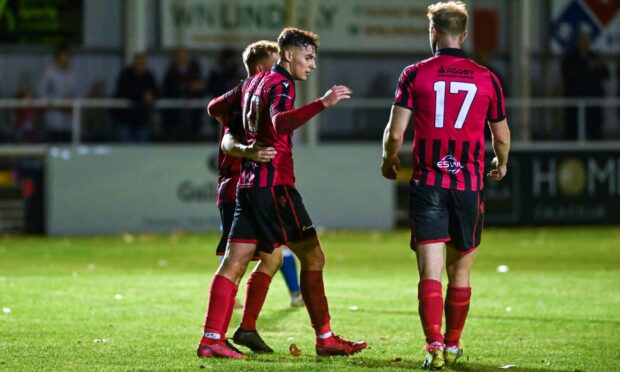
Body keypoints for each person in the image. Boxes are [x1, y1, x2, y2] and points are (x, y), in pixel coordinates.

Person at [197, 27, 367, 359]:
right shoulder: (282, 83)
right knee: (313, 257)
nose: (312, 65)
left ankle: (211, 339)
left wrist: (245, 145)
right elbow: (280, 124)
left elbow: (216, 108)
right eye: (308, 57)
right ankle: (326, 338)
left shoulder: (250, 83)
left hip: (246, 186)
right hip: (274, 186)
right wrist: (323, 103)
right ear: (287, 54)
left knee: (234, 262)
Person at [381, 1, 510, 370]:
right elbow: (501, 136)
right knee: (461, 273)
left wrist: (389, 159)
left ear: (433, 32)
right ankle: (453, 344)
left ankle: (433, 345)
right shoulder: (487, 77)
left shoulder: (414, 74)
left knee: (429, 272)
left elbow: (395, 132)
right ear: (464, 34)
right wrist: (502, 163)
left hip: (428, 183)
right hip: (468, 185)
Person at [203, 40, 302, 356]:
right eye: (275, 64)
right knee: (238, 261)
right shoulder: (248, 96)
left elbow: (213, 108)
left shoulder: (248, 100)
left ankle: (244, 329)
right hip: (242, 186)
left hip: (248, 186)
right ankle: (213, 338)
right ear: (261, 69)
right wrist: (247, 149)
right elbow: (225, 132)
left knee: (272, 257)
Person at [561, 31, 610, 140]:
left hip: (593, 102)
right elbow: (568, 75)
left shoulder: (594, 56)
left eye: (587, 41)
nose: (585, 43)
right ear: (578, 42)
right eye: (582, 40)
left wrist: (600, 66)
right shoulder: (570, 58)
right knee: (573, 132)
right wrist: (586, 67)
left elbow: (607, 75)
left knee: (595, 131)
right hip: (575, 102)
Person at [162, 48, 205, 142]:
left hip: (192, 105)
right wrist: (188, 88)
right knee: (177, 126)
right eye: (180, 56)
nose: (183, 58)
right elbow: (168, 88)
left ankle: (192, 139)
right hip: (176, 106)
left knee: (192, 125)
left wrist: (196, 89)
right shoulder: (171, 71)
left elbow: (201, 86)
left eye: (185, 55)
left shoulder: (194, 69)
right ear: (176, 58)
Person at [37, 43, 78, 142]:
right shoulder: (49, 73)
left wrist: (71, 102)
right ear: (57, 57)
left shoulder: (72, 75)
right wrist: (57, 104)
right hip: (53, 121)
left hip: (68, 122)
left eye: (68, 56)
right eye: (64, 56)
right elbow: (40, 92)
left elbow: (75, 94)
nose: (66, 59)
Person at [113, 53, 158, 143]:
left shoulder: (149, 76)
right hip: (125, 117)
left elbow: (156, 91)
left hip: (142, 117)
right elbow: (124, 91)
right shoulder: (126, 75)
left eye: (143, 62)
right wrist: (142, 96)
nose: (140, 64)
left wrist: (152, 97)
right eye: (138, 62)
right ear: (134, 62)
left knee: (142, 144)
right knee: (124, 145)